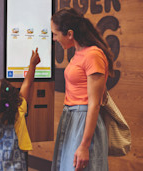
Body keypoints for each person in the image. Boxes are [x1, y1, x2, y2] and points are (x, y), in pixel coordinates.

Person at [50, 8, 114, 171]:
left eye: (55, 34)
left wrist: (84, 145)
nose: (54, 38)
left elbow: (94, 104)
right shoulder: (78, 53)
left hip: (84, 119)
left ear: (70, 34)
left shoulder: (93, 55)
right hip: (71, 117)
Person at [0, 48, 40, 171]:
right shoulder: (18, 108)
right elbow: (27, 83)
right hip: (17, 165)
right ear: (11, 96)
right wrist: (32, 64)